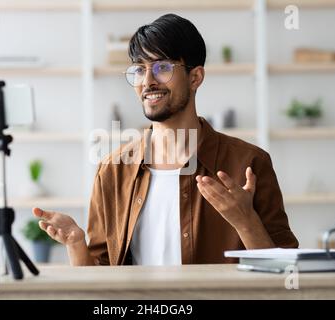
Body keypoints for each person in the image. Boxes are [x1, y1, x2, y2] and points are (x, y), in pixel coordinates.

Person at [33, 13, 298, 266]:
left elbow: (286, 276)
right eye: (139, 70)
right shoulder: (112, 171)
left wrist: (246, 222)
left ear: (195, 77)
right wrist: (77, 244)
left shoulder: (249, 163)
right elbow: (103, 279)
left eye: (162, 67)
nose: (148, 81)